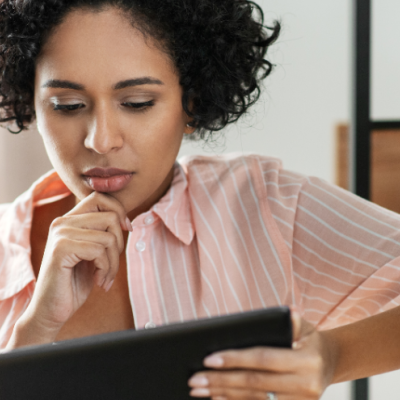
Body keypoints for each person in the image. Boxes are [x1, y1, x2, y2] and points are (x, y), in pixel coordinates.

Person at [1, 0, 400, 399]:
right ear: (31, 103)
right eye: (67, 106)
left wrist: (333, 355)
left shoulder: (265, 204)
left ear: (191, 102)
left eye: (138, 103)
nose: (101, 140)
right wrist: (34, 329)